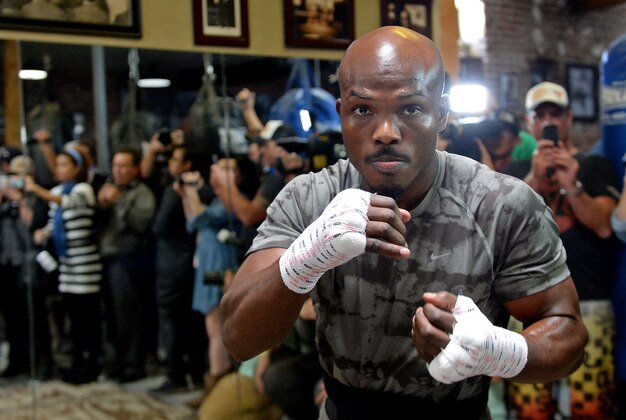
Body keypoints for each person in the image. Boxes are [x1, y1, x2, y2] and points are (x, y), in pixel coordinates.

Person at [220, 26, 588, 419]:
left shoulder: (500, 204)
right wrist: (305, 259)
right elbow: (239, 339)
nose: (385, 133)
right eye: (363, 110)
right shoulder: (308, 198)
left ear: (442, 114)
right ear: (342, 113)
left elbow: (567, 333)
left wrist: (500, 351)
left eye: (410, 108)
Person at [503, 81, 618, 419]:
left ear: (568, 118)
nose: (547, 121)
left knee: (591, 407)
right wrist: (534, 182)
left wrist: (572, 185)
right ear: (529, 122)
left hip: (590, 301)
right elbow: (501, 228)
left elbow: (603, 225)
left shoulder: (594, 166)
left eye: (555, 114)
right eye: (540, 115)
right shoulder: (513, 174)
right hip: (527, 306)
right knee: (529, 410)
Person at [26, 148, 103, 384]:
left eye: (64, 164)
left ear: (76, 167)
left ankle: (92, 365)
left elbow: (68, 204)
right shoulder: (55, 192)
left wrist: (37, 190)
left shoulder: (83, 189)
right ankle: (77, 363)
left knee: (89, 317)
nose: (59, 169)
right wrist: (43, 233)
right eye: (57, 165)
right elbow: (54, 219)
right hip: (67, 263)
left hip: (85, 262)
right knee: (74, 319)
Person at [150, 145, 206, 392]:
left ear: (187, 164)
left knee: (173, 320)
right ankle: (195, 372)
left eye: (175, 159)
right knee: (190, 322)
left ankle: (176, 374)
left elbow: (159, 227)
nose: (170, 163)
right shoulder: (198, 188)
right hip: (188, 263)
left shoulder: (176, 191)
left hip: (173, 266)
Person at [97, 147, 156, 383]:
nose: (118, 171)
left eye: (123, 166)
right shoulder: (109, 189)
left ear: (135, 169)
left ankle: (133, 365)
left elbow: (141, 224)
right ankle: (114, 362)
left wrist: (119, 203)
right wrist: (101, 205)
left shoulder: (142, 193)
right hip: (107, 258)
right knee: (109, 315)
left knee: (128, 315)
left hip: (129, 259)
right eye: (115, 165)